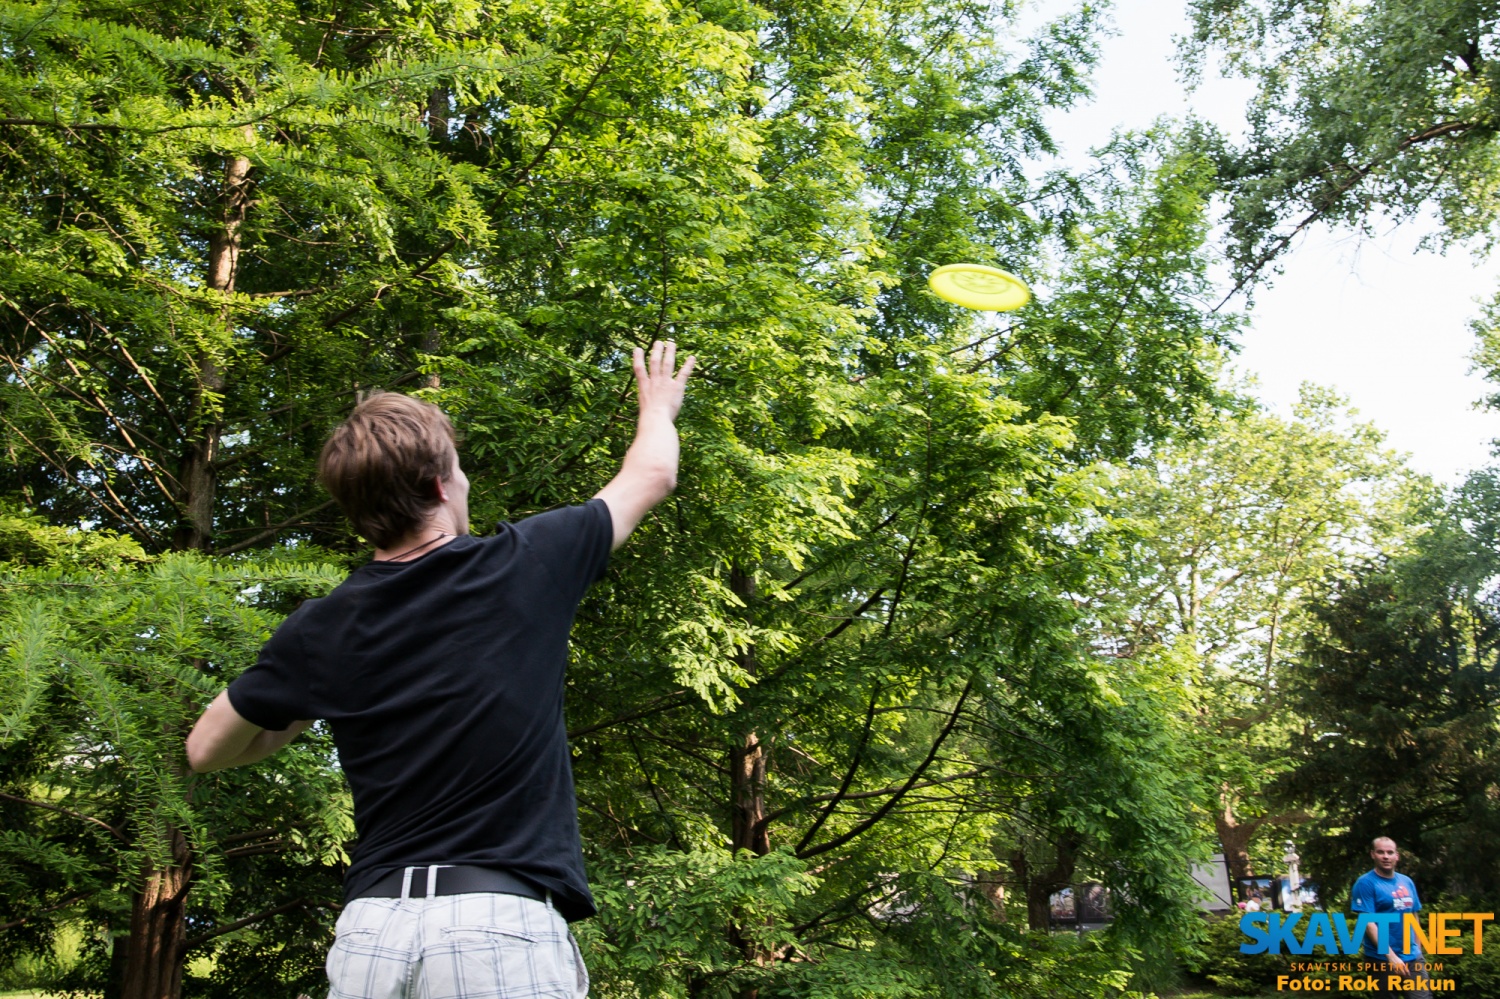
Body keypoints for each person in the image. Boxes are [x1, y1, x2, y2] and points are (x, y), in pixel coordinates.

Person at [185, 340, 696, 999]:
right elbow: (653, 473)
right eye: (459, 470)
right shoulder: (524, 563)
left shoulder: (322, 625)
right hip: (496, 928)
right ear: (437, 484)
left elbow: (204, 747)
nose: (466, 483)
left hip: (372, 935)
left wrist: (287, 722)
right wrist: (658, 406)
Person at [1350, 836, 1430, 998]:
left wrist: (1418, 950)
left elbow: (1413, 916)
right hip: (1381, 960)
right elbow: (1368, 923)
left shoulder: (1406, 882)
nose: (1385, 856)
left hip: (1411, 957)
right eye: (1381, 852)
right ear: (1373, 854)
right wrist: (1391, 957)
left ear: (1396, 856)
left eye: (1390, 852)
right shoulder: (1365, 883)